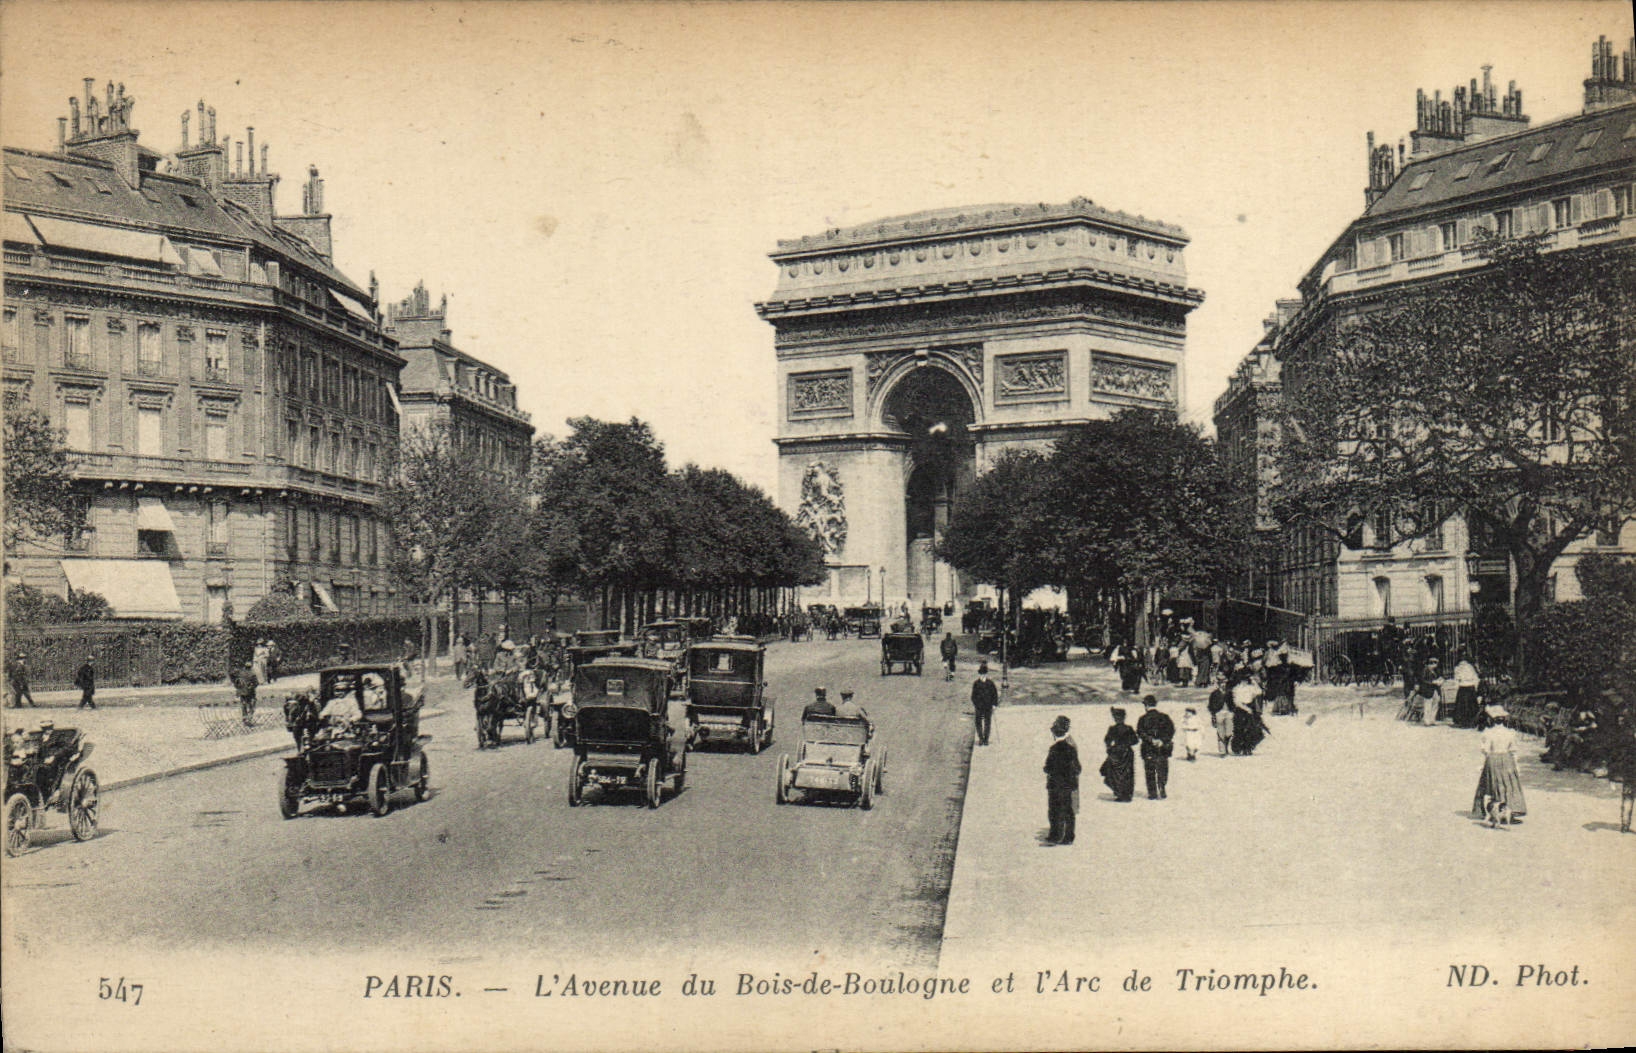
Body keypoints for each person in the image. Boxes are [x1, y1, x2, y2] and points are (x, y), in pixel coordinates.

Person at [1472, 705, 1527, 826]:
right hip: (1507, 759)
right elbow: (1513, 750)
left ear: (1491, 719)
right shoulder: (1510, 733)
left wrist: (1482, 764)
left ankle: (1493, 812)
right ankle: (1508, 811)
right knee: (1508, 785)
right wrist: (1516, 765)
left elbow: (1485, 750)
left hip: (1493, 759)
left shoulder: (1488, 733)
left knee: (1493, 785)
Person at [1043, 715, 1081, 845]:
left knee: (1054, 810)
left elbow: (1047, 767)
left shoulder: (1053, 750)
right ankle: (1068, 836)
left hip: (1054, 784)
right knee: (1067, 810)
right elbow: (1077, 768)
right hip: (1067, 785)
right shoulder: (1071, 748)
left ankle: (1055, 834)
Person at [1136, 695, 1176, 800]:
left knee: (1149, 770)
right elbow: (1171, 730)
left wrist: (1151, 740)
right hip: (1162, 748)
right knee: (1162, 768)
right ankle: (1162, 787)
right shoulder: (1164, 717)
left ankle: (1152, 793)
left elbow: (1140, 732)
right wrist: (1162, 740)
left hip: (1148, 748)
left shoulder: (1142, 719)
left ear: (1146, 705)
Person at [1100, 707, 1140, 802]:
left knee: (1116, 774)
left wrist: (1110, 749)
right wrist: (1126, 744)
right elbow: (1135, 740)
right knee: (1128, 775)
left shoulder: (1112, 729)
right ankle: (1127, 795)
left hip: (1116, 753)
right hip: (1127, 753)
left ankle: (1119, 793)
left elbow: (1107, 740)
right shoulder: (1128, 728)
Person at [1229, 674, 1267, 755]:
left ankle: (1248, 748)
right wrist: (1246, 709)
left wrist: (1254, 682)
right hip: (1240, 710)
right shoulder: (1237, 688)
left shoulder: (1250, 688)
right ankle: (1239, 748)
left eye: (1246, 680)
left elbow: (1259, 692)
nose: (1245, 682)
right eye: (1243, 680)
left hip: (1250, 708)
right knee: (1240, 730)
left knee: (1251, 729)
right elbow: (1237, 702)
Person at [1450, 652, 1481, 728]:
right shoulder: (1471, 667)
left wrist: (1456, 688)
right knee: (1471, 705)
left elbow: (1456, 679)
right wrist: (1475, 687)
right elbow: (1476, 678)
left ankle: (1463, 722)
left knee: (1462, 706)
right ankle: (1471, 722)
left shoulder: (1458, 668)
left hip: (1463, 687)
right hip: (1470, 687)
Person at [971, 662, 999, 746]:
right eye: (981, 674)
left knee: (987, 722)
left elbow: (995, 694)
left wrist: (994, 705)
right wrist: (976, 704)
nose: (983, 676)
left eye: (984, 674)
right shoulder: (976, 683)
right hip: (979, 706)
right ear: (979, 674)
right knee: (978, 722)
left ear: (986, 674)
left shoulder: (990, 683)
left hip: (988, 706)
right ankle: (980, 738)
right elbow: (973, 696)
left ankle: (986, 739)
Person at [1208, 681, 1234, 757]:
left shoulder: (1230, 693)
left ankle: (1226, 746)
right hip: (1219, 713)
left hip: (1229, 713)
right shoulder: (1214, 693)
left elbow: (1233, 703)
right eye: (1222, 684)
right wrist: (1213, 715)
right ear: (1219, 685)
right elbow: (1210, 705)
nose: (1223, 685)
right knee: (1220, 732)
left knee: (1229, 732)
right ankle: (1222, 751)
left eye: (1225, 684)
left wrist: (1233, 711)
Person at [1418, 658, 1444, 726]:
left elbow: (1439, 677)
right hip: (1428, 690)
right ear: (1429, 664)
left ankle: (1432, 719)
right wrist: (1432, 682)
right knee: (1428, 705)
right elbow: (1423, 680)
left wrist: (1440, 680)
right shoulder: (1425, 670)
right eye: (1433, 664)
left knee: (1435, 704)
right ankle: (1427, 720)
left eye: (1435, 664)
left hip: (1435, 690)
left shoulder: (1435, 671)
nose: (1435, 665)